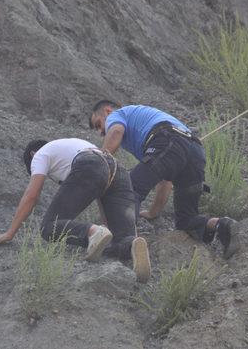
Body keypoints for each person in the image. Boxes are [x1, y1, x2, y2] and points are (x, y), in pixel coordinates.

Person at [89, 101, 240, 259]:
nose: (101, 132)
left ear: (107, 111)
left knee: (127, 190)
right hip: (195, 151)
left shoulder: (116, 115)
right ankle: (222, 225)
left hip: (169, 138)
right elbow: (165, 179)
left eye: (99, 124)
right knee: (186, 219)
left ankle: (122, 244)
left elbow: (116, 131)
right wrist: (153, 212)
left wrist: (101, 162)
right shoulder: (142, 136)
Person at [0, 138, 151, 283]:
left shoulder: (39, 154)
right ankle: (132, 244)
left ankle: (93, 232)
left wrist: (10, 233)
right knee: (119, 241)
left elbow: (32, 196)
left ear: (32, 154)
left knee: (49, 227)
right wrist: (106, 227)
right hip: (118, 170)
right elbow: (99, 193)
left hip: (90, 165)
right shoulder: (74, 146)